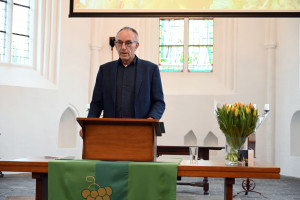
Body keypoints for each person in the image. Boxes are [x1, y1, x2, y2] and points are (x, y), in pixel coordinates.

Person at [80, 27, 165, 137]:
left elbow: (159, 102)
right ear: (115, 45)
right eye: (120, 43)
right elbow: (97, 103)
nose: (123, 47)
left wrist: (151, 119)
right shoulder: (105, 70)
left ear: (136, 45)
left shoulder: (150, 70)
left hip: (141, 132)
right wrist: (88, 125)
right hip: (110, 133)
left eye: (129, 43)